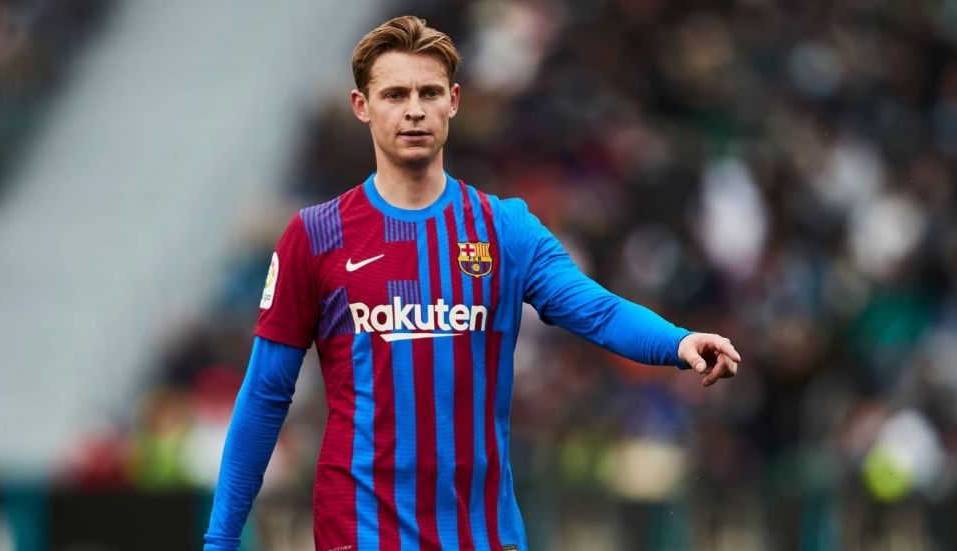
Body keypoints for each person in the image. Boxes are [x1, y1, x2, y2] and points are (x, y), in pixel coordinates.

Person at [204, 15, 741, 551]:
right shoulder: (315, 236)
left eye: (429, 92)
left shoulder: (504, 229)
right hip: (361, 534)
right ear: (361, 106)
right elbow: (265, 393)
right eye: (395, 95)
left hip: (480, 535)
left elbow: (597, 310)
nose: (414, 109)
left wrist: (677, 342)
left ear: (453, 101)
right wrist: (221, 540)